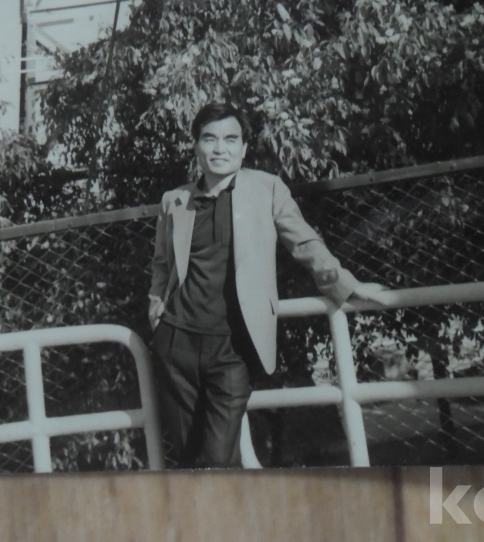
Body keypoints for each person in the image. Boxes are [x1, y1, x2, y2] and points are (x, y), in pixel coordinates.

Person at [148, 102, 387, 468]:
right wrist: (156, 308)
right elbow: (163, 264)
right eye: (209, 139)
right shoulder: (174, 201)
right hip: (177, 343)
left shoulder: (268, 189)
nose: (220, 148)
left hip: (234, 348)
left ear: (244, 148)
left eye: (231, 139)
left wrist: (347, 286)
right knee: (189, 459)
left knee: (218, 458)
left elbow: (304, 242)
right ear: (196, 146)